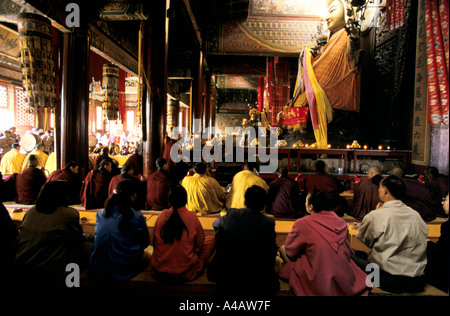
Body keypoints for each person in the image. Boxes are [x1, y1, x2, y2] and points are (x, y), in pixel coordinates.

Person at [281, 0, 361, 147]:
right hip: (318, 93)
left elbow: (352, 49)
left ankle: (303, 135)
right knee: (295, 104)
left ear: (347, 12)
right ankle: (295, 135)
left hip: (333, 95)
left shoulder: (346, 36)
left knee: (304, 103)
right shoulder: (332, 40)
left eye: (332, 10)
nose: (326, 17)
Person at [278, 189, 369, 296]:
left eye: (306, 202)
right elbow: (348, 250)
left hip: (318, 278)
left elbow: (290, 251)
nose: (305, 204)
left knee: (283, 249)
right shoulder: (341, 222)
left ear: (310, 206)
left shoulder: (302, 223)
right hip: (344, 275)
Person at [352, 175, 429, 293]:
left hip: (388, 280)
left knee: (349, 256)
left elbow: (365, 240)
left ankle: (365, 290)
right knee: (361, 254)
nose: (378, 190)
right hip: (416, 281)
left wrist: (377, 214)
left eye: (380, 188)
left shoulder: (377, 215)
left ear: (386, 191)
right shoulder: (416, 215)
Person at [15, 181, 93, 286]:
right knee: (90, 247)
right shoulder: (69, 213)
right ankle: (72, 283)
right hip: (51, 268)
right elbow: (76, 242)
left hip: (23, 263)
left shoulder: (30, 211)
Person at [208, 185, 279, 296]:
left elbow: (215, 224)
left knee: (220, 234)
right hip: (257, 278)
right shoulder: (268, 222)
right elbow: (271, 250)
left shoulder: (232, 214)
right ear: (263, 205)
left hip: (228, 275)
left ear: (245, 201)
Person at [151, 185, 215, 282]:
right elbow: (199, 244)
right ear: (186, 200)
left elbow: (154, 242)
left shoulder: (162, 215)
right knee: (211, 240)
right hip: (185, 273)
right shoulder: (191, 216)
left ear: (169, 200)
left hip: (159, 272)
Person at [90, 180, 150, 281]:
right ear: (131, 196)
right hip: (123, 269)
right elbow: (145, 242)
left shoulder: (100, 214)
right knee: (147, 256)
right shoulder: (137, 217)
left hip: (98, 268)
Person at [425, 193, 449, 293]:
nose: (442, 202)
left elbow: (442, 254)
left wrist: (429, 244)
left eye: (446, 199)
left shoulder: (447, 227)